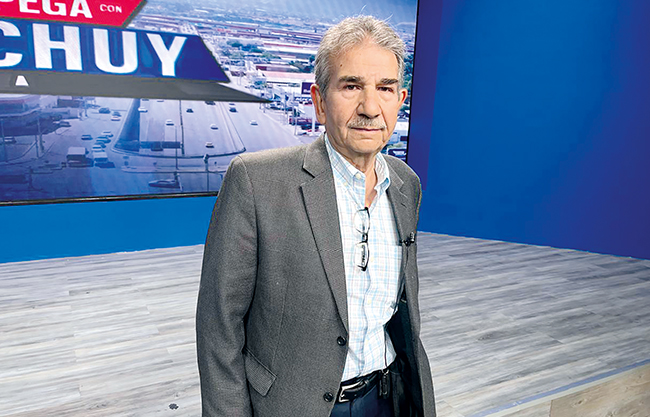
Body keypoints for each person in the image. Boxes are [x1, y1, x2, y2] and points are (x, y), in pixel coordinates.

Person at [196, 15, 435, 417]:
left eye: (385, 88)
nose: (370, 107)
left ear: (401, 99)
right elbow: (218, 326)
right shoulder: (256, 182)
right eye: (351, 86)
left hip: (387, 397)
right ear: (320, 101)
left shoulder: (405, 184)